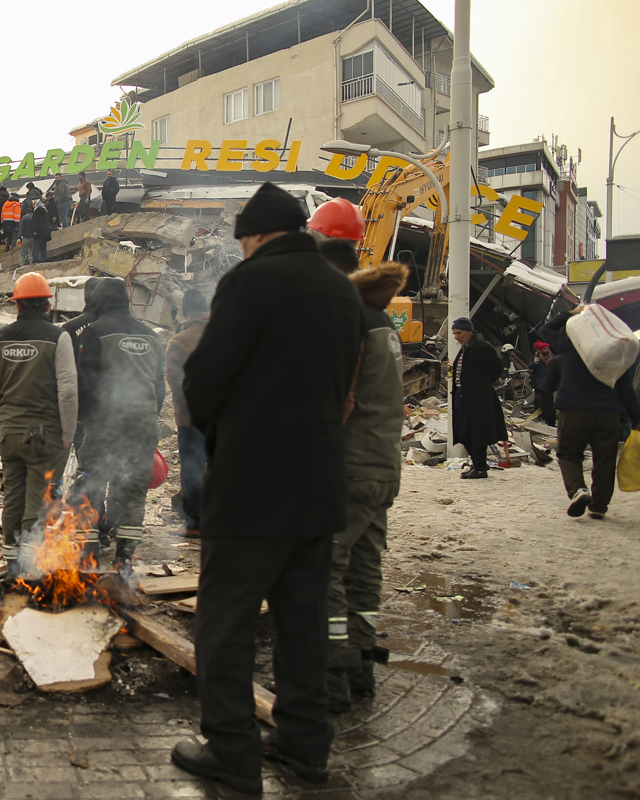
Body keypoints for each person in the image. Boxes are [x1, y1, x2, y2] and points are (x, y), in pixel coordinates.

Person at [173, 182, 365, 793]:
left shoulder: (248, 282)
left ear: (254, 235)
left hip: (251, 488)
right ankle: (306, 747)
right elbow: (344, 387)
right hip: (319, 485)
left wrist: (221, 437)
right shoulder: (342, 291)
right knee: (302, 625)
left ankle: (233, 751)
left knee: (224, 624)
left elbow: (203, 381)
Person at [326, 261, 409, 713]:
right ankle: (361, 667)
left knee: (323, 569)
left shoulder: (349, 320)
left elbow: (340, 398)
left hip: (350, 468)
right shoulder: (381, 321)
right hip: (383, 467)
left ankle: (331, 674)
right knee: (364, 569)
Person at [0, 272, 78, 565]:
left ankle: (13, 566)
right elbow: (68, 389)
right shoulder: (58, 337)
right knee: (37, 503)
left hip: (10, 434)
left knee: (13, 500)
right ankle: (29, 568)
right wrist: (68, 433)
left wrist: (4, 424)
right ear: (48, 304)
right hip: (45, 436)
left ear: (17, 305)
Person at [74, 279, 165, 567]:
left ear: (98, 301)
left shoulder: (95, 332)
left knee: (91, 484)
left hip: (104, 425)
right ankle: (124, 559)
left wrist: (84, 418)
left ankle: (89, 552)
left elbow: (85, 382)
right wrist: (147, 417)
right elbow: (159, 387)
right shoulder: (151, 335)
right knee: (134, 492)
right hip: (143, 425)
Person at [539, 307, 640, 520]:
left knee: (569, 454)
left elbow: (546, 330)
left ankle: (578, 490)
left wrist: (571, 313)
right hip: (608, 416)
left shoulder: (571, 346)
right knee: (605, 460)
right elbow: (626, 390)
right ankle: (599, 506)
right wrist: (637, 419)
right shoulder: (616, 355)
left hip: (574, 412)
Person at [164, 289, 210, 537]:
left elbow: (176, 383)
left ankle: (194, 524)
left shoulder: (178, 342)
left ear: (185, 314)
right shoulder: (225, 335)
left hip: (190, 418)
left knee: (193, 469)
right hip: (222, 417)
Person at [449, 317, 507, 479]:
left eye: (459, 333)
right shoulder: (465, 348)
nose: (456, 337)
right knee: (463, 432)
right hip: (462, 395)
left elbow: (495, 369)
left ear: (469, 332)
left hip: (477, 398)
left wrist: (480, 385)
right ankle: (477, 463)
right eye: (454, 334)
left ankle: (480, 467)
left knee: (477, 432)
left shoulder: (481, 347)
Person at [531, 341, 561, 427]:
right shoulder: (536, 357)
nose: (547, 350)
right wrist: (535, 362)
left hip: (552, 384)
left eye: (548, 348)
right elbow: (531, 367)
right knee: (542, 402)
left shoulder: (554, 358)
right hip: (540, 382)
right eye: (545, 348)